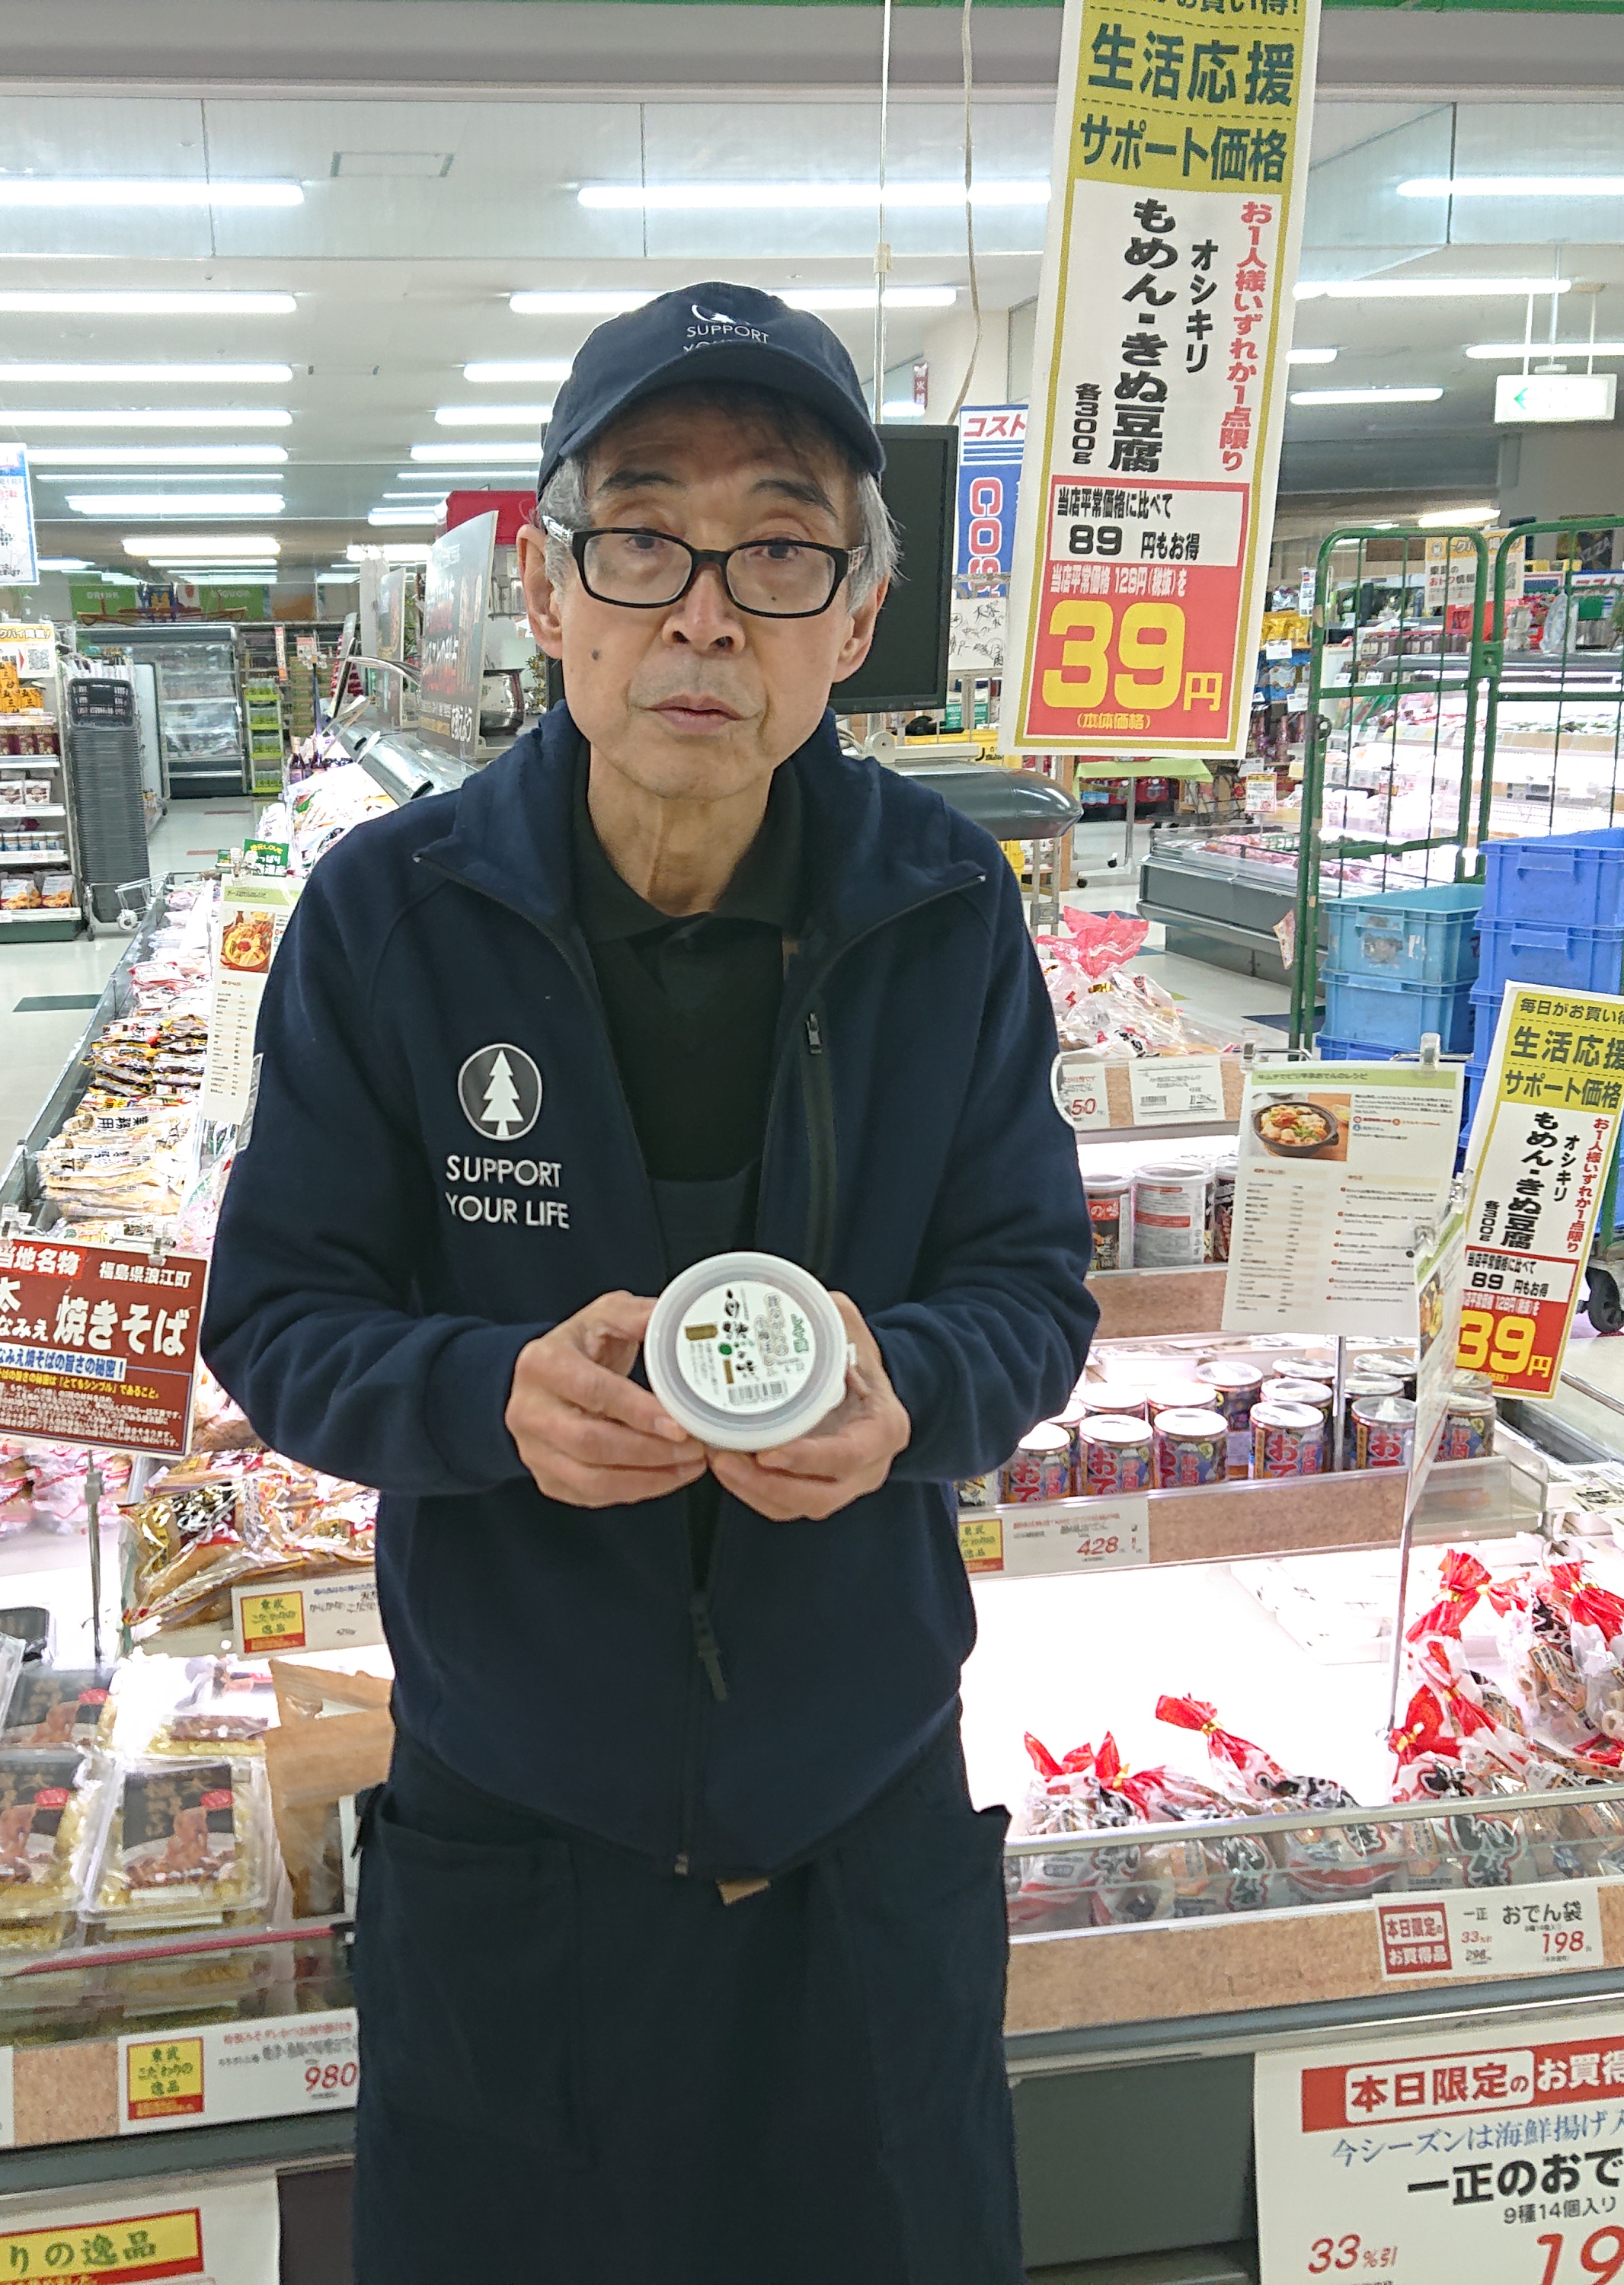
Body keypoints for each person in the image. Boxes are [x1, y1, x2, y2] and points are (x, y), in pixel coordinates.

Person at [201, 281, 1095, 2283]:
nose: (704, 614)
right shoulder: (392, 919)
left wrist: (908, 1393)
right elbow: (278, 1317)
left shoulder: (946, 908)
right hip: (521, 1830)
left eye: (778, 548)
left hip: (858, 1822)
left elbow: (1034, 1289)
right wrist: (485, 1398)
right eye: (642, 538)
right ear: (547, 586)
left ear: (857, 618)